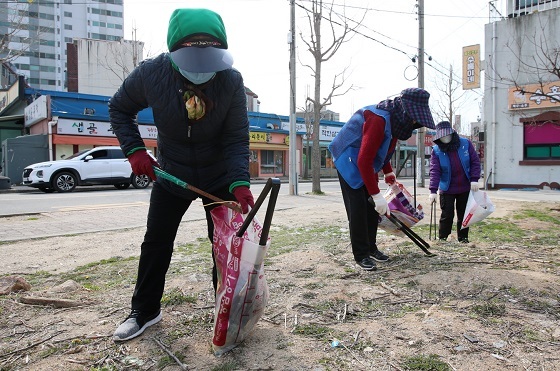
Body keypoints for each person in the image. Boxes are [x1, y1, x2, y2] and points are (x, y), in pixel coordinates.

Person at [108, 8, 254, 342]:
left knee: (226, 248)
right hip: (172, 174)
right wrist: (134, 149)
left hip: (217, 177)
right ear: (174, 53)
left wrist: (239, 181)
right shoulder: (151, 73)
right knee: (156, 242)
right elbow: (119, 108)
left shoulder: (230, 79)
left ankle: (227, 311)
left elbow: (235, 137)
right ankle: (144, 310)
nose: (202, 69)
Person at [329, 88, 436, 271]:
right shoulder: (378, 119)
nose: (414, 123)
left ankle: (371, 248)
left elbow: (383, 149)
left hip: (364, 159)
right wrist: (376, 195)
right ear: (406, 111)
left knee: (372, 210)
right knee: (358, 208)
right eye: (414, 119)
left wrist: (388, 172)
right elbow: (364, 160)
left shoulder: (396, 121)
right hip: (347, 157)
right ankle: (361, 254)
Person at [428, 121, 481, 243]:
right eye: (442, 136)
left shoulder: (465, 144)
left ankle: (463, 238)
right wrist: (433, 191)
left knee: (463, 214)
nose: (445, 138)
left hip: (465, 186)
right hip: (447, 188)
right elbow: (435, 171)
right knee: (447, 215)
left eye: (447, 135)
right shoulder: (436, 150)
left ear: (452, 134)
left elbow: (475, 162)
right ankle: (443, 238)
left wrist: (474, 179)